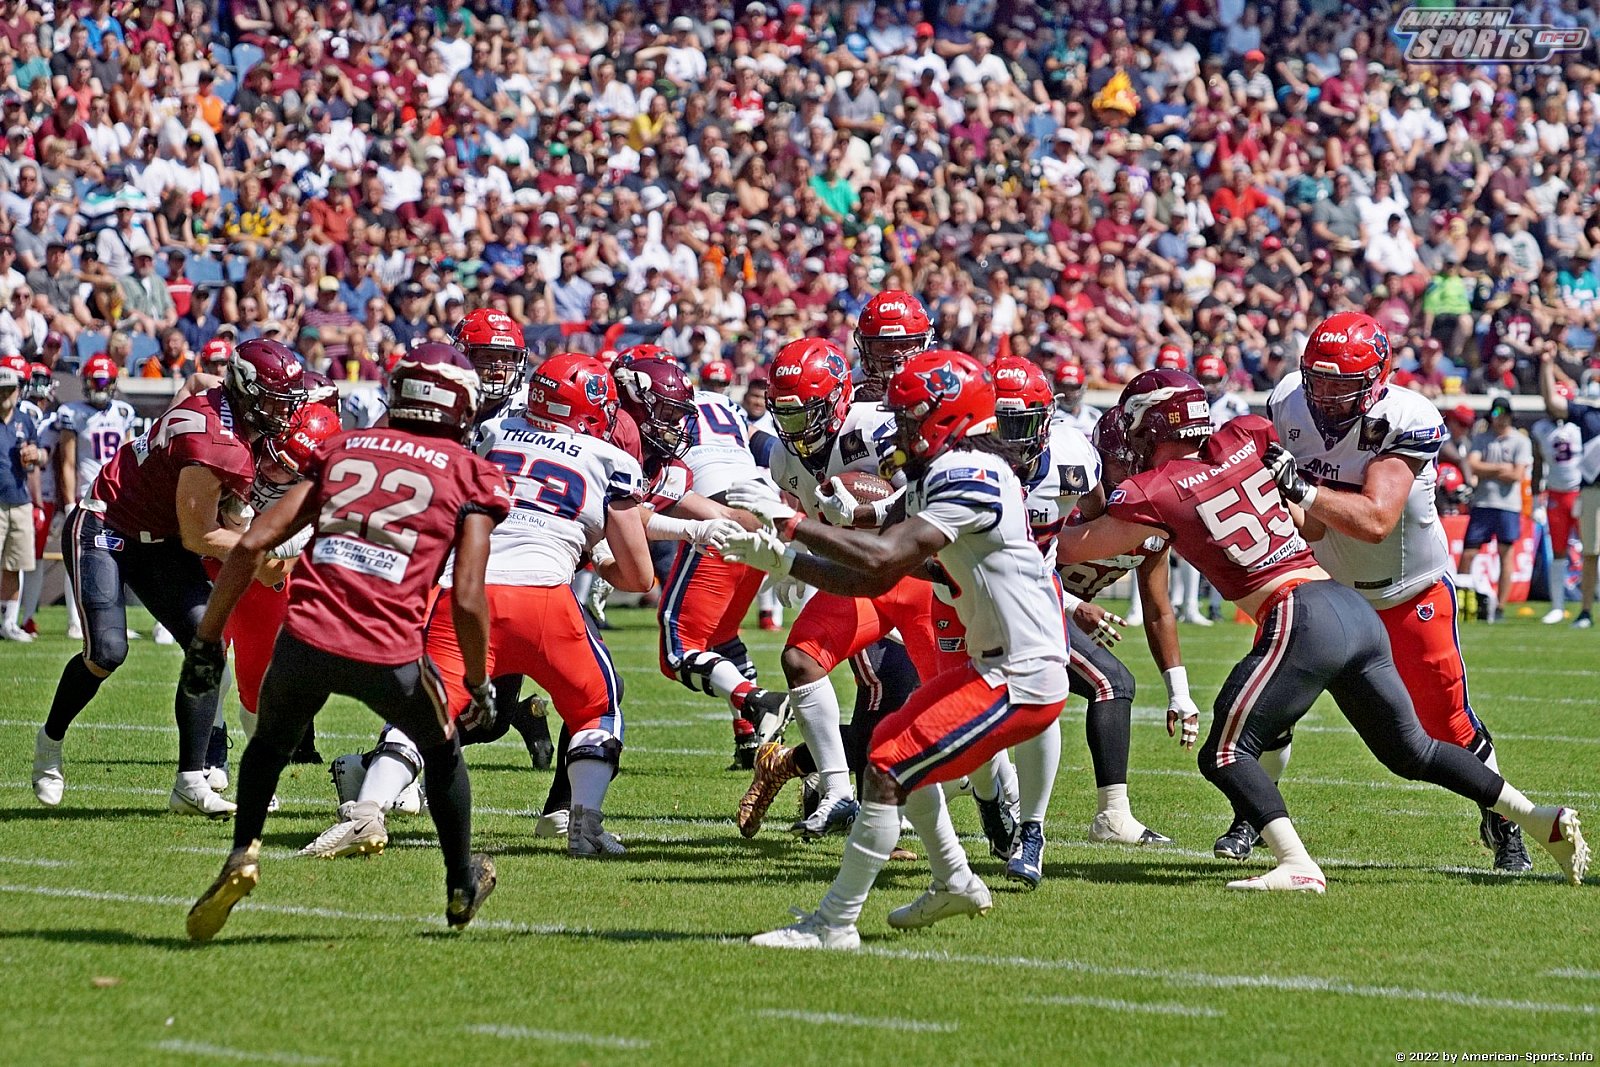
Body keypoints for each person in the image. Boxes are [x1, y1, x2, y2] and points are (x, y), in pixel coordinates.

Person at [1058, 368, 1587, 892]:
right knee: (1413, 751)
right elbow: (1307, 522)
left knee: (1223, 753)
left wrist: (1032, 511)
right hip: (1348, 605)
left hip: (1299, 614)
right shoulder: (1247, 434)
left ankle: (1295, 863)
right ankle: (1538, 817)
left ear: (1150, 426)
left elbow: (1074, 548)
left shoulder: (1153, 490)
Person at [725, 350, 1071, 948]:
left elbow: (882, 558)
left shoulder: (967, 473)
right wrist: (787, 559)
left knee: (887, 768)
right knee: (887, 741)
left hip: (1020, 674)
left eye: (911, 419)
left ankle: (834, 924)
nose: (901, 431)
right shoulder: (962, 470)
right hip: (1001, 663)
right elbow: (880, 571)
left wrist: (790, 527)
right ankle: (954, 880)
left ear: (948, 419)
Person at [182, 344, 511, 941]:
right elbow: (467, 596)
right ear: (460, 404)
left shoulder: (343, 447)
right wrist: (480, 682)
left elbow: (252, 544)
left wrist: (207, 641)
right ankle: (460, 883)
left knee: (269, 744)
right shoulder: (472, 472)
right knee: (441, 754)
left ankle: (242, 853)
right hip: (391, 650)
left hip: (306, 636)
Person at [1265, 312, 1528, 872]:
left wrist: (1301, 490)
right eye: (1320, 381)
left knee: (1447, 723)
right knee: (1271, 704)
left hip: (1407, 592)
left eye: (1342, 384)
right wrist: (1293, 504)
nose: (1327, 396)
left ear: (1376, 380)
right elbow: (1314, 526)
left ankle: (1504, 822)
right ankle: (1253, 815)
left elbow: (1376, 520)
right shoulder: (1288, 401)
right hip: (1331, 590)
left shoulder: (1406, 417)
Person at [32, 339, 306, 817]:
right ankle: (49, 743)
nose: (283, 412)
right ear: (247, 392)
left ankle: (190, 782)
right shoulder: (216, 442)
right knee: (106, 652)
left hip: (159, 537)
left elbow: (200, 382)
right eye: (274, 399)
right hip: (106, 525)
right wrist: (264, 554)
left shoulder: (228, 408)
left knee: (208, 644)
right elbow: (200, 536)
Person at [50, 354, 137, 642]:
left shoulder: (123, 412)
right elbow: (67, 462)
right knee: (77, 559)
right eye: (95, 381)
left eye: (104, 381)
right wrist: (69, 502)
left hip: (116, 496)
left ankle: (115, 622)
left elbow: (128, 458)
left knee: (119, 558)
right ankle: (75, 621)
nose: (99, 386)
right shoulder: (72, 412)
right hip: (87, 497)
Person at [1538, 353, 1600, 629]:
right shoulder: (1587, 414)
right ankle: (1585, 610)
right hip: (1590, 490)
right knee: (1590, 551)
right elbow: (1553, 402)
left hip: (1582, 490)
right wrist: (1547, 366)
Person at [1458, 396, 1531, 622]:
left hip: (1507, 506)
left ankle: (1500, 606)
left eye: (1504, 414)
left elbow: (1516, 475)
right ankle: (1462, 600)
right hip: (1483, 503)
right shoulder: (1482, 438)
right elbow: (1472, 464)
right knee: (1469, 553)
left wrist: (1487, 469)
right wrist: (1500, 468)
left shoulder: (1520, 441)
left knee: (1505, 554)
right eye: (1496, 414)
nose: (1500, 419)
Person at [1530, 380, 1583, 625]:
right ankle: (1558, 606)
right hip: (1556, 495)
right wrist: (1534, 500)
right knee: (1559, 551)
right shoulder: (1541, 428)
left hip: (1581, 492)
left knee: (1593, 549)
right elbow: (1538, 465)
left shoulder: (1580, 425)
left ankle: (1590, 601)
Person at [0, 360, 42, 641]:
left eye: (10, 389)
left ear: (18, 390)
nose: (5, 394)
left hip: (20, 499)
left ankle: (9, 622)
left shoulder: (25, 420)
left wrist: (36, 455)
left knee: (15, 564)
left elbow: (40, 457)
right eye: (1, 389)